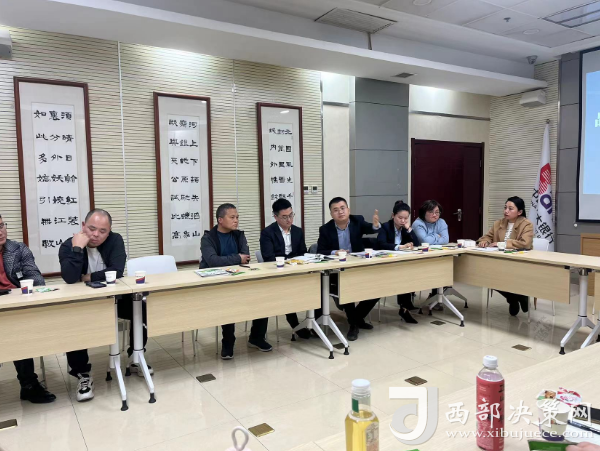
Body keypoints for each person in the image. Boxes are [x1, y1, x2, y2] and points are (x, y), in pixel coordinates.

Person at [59, 209, 151, 402]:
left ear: (109, 232)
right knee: (72, 319)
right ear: (83, 226)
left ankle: (136, 357)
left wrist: (87, 277)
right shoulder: (69, 245)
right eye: (91, 229)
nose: (96, 235)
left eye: (102, 231)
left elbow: (116, 271)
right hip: (84, 303)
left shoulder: (115, 240)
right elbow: (70, 278)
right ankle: (82, 374)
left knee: (141, 307)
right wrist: (78, 249)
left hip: (116, 298)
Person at [201, 203, 272, 359]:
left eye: (237, 217)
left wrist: (234, 259)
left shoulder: (239, 235)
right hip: (216, 282)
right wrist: (237, 258)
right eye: (232, 217)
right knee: (228, 300)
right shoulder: (208, 238)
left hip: (239, 278)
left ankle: (257, 337)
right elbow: (213, 261)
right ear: (220, 220)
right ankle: (228, 341)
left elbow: (245, 258)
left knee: (262, 296)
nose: (236, 220)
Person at [0, 216, 56, 404]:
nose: (0, 232)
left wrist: (24, 287)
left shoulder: (18, 249)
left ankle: (29, 385)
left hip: (17, 308)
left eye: (1, 226)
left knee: (18, 329)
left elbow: (37, 279)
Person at [317, 197, 381, 341]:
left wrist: (376, 225)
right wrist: (335, 252)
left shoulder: (357, 220)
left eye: (342, 208)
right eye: (335, 210)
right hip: (337, 271)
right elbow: (320, 250)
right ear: (331, 214)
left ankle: (356, 319)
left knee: (377, 288)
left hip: (358, 267)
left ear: (348, 210)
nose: (340, 212)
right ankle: (354, 324)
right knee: (346, 288)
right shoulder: (325, 229)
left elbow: (370, 228)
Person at [260, 198, 312, 340]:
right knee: (287, 290)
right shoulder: (267, 233)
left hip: (297, 272)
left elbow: (303, 253)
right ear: (275, 217)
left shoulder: (298, 231)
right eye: (284, 217)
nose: (289, 220)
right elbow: (269, 258)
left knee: (317, 285)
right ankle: (295, 324)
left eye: (291, 215)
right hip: (278, 274)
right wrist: (290, 261)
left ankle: (314, 322)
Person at [478, 196, 534, 316]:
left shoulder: (526, 224)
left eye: (510, 208)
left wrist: (500, 244)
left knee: (502, 276)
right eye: (505, 208)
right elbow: (487, 237)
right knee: (486, 276)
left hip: (518, 262)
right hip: (498, 261)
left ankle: (516, 297)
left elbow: (525, 243)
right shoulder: (498, 223)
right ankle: (514, 298)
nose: (506, 211)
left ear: (519, 212)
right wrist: (485, 241)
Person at [376, 200, 420, 324]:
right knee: (403, 274)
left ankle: (405, 307)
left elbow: (417, 244)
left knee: (407, 273)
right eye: (400, 218)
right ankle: (405, 307)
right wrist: (399, 247)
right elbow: (381, 244)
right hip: (385, 262)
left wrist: (409, 229)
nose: (403, 221)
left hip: (400, 262)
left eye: (406, 218)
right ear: (393, 215)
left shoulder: (405, 228)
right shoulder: (385, 227)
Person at [412, 200, 449, 303]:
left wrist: (431, 238)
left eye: (437, 212)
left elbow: (445, 240)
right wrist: (437, 236)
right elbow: (425, 241)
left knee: (442, 266)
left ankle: (435, 295)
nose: (435, 215)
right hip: (420, 258)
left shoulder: (441, 222)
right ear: (424, 212)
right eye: (431, 212)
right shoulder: (418, 223)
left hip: (437, 256)